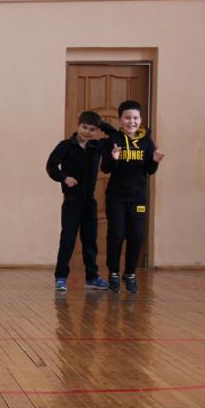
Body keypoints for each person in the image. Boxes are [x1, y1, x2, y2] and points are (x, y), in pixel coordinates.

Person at [100, 100, 164, 294]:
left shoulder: (147, 142)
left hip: (138, 198)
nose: (131, 121)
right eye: (127, 118)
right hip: (116, 197)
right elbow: (105, 168)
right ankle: (113, 273)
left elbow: (149, 170)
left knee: (136, 236)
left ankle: (130, 274)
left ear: (140, 120)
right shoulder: (113, 139)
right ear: (120, 120)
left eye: (135, 118)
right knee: (117, 234)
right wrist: (113, 158)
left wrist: (155, 161)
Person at [45, 111, 109, 291]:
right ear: (78, 126)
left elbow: (115, 137)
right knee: (68, 239)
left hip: (90, 202)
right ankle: (61, 277)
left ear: (97, 131)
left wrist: (102, 124)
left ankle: (92, 277)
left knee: (90, 241)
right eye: (84, 127)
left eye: (92, 129)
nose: (87, 132)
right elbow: (51, 166)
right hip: (72, 201)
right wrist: (64, 178)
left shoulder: (97, 146)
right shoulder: (65, 146)